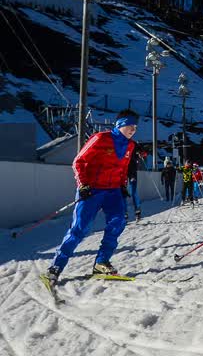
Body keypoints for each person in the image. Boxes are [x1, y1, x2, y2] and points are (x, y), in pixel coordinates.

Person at [42, 109, 139, 286]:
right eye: (130, 125)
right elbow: (78, 161)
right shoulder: (101, 138)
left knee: (118, 221)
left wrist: (122, 185)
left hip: (113, 191)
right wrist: (83, 185)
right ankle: (56, 266)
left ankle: (101, 263)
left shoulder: (130, 145)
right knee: (80, 229)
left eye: (135, 126)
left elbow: (123, 168)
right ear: (120, 124)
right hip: (92, 189)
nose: (134, 129)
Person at [126, 147, 144, 222]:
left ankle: (137, 211)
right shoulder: (118, 143)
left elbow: (143, 152)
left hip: (132, 172)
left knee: (133, 192)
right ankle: (124, 213)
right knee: (122, 192)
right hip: (122, 172)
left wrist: (141, 154)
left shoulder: (133, 144)